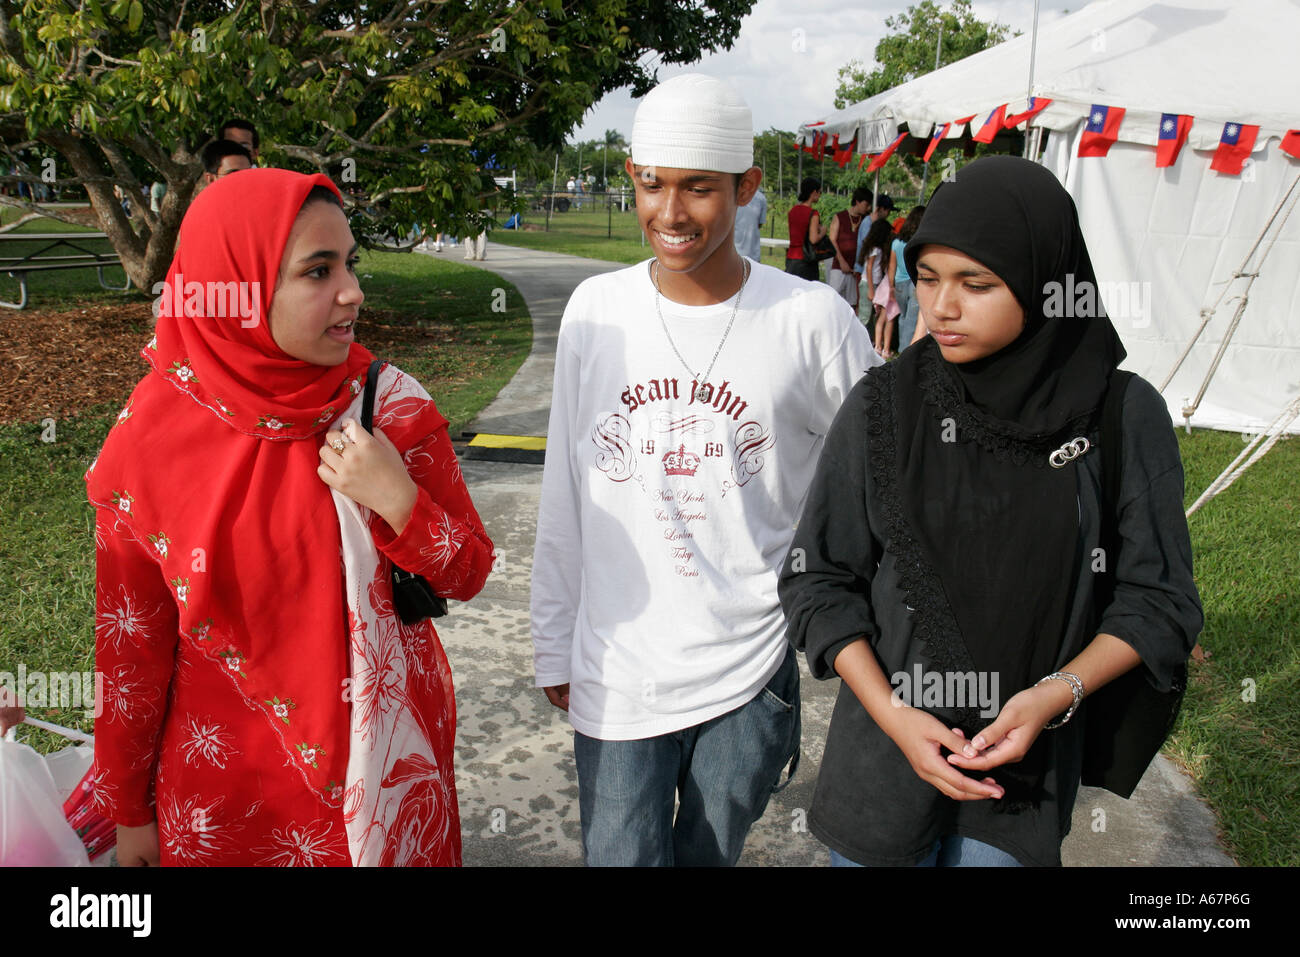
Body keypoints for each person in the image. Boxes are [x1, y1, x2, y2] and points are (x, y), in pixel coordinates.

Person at [779, 155, 1202, 867]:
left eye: (976, 284)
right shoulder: (886, 406)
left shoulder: (1123, 416)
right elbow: (817, 579)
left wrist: (1053, 695)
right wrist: (893, 715)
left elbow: (1158, 599)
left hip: (1022, 785)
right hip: (881, 769)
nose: (941, 306)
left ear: (1045, 283)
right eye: (930, 277)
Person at [87, 169, 494, 866]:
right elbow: (132, 657)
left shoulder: (386, 409)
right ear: (238, 288)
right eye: (318, 270)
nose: (353, 291)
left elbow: (467, 571)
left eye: (350, 264)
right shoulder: (149, 437)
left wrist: (398, 500)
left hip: (385, 791)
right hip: (222, 806)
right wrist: (129, 814)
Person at [531, 73, 878, 867]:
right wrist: (555, 636)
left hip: (749, 668)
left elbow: (879, 467)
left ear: (747, 187)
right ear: (631, 177)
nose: (672, 213)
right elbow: (567, 486)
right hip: (618, 664)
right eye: (653, 184)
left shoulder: (811, 320)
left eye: (700, 189)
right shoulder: (596, 311)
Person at [888, 205, 926, 351]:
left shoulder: (896, 243)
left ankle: (901, 350)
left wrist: (891, 286)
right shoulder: (919, 243)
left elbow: (892, 266)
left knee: (902, 318)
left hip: (899, 283)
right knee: (912, 320)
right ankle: (906, 352)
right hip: (915, 282)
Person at [827, 187, 871, 309]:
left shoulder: (866, 221)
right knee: (833, 299)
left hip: (855, 270)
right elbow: (832, 240)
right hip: (838, 266)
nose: (868, 208)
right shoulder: (840, 216)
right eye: (866, 204)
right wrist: (841, 262)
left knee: (852, 304)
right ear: (857, 201)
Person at [857, 217, 894, 342]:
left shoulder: (875, 248)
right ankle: (860, 339)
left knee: (872, 314)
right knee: (865, 314)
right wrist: (871, 290)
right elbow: (869, 268)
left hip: (874, 283)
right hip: (869, 283)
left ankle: (868, 339)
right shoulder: (875, 249)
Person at [785, 177, 824, 281]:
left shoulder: (792, 211)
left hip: (791, 257)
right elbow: (813, 239)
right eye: (820, 192)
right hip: (806, 259)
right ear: (814, 192)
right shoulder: (813, 214)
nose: (820, 195)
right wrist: (823, 232)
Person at [732, 184, 766, 262]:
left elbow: (759, 224)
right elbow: (759, 224)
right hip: (735, 254)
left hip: (753, 255)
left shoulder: (761, 199)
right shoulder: (731, 196)